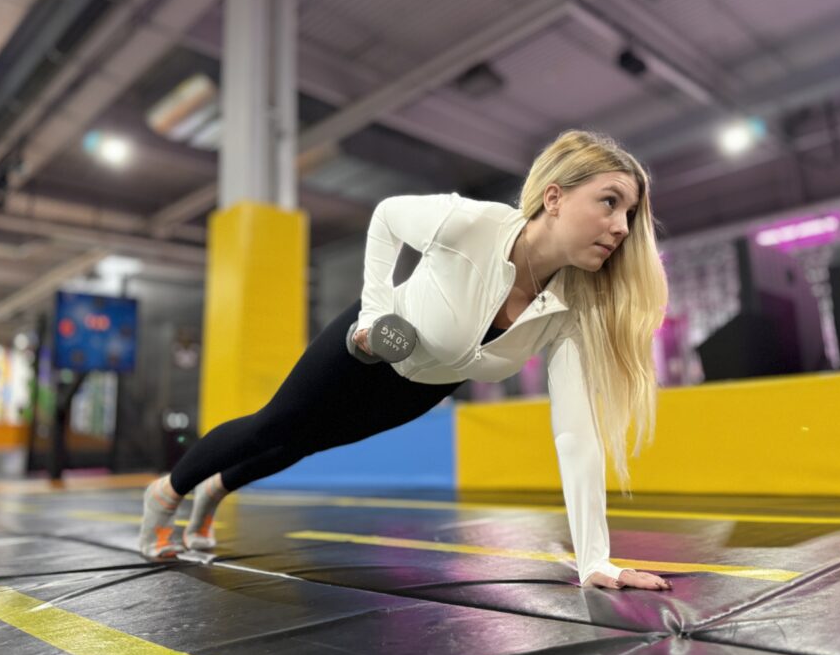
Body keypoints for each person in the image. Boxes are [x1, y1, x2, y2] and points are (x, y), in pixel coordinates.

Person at [139, 129, 672, 592]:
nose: (622, 226)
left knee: (308, 442)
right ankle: (165, 493)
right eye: (609, 202)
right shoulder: (476, 225)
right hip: (366, 347)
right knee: (275, 425)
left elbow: (575, 433)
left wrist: (594, 560)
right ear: (554, 197)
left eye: (628, 213)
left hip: (422, 387)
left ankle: (214, 490)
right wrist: (371, 316)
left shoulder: (569, 309)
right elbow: (388, 217)